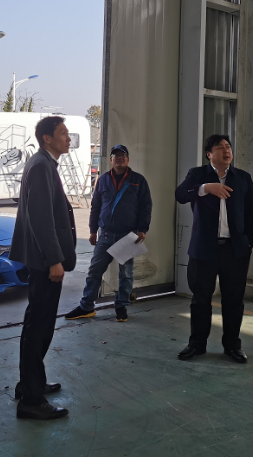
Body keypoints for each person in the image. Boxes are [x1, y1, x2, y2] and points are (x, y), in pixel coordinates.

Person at [10, 116, 77, 421]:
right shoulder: (40, 166)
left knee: (38, 324)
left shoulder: (44, 163)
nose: (68, 138)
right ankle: (31, 400)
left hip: (41, 259)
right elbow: (40, 218)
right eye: (63, 133)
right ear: (47, 138)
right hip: (44, 261)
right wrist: (53, 259)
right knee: (39, 327)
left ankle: (30, 384)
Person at [175, 134, 253, 364]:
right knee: (201, 299)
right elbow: (180, 195)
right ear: (209, 154)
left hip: (234, 251)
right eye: (220, 147)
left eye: (228, 146)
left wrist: (248, 242)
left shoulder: (243, 178)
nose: (226, 150)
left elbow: (251, 213)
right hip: (204, 249)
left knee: (234, 301)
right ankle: (197, 344)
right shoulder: (197, 175)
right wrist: (205, 188)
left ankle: (232, 346)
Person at [65, 144, 152, 322]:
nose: (119, 158)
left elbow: (146, 206)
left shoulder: (138, 180)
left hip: (128, 235)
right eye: (116, 156)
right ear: (111, 160)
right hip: (105, 234)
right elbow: (96, 206)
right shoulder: (103, 180)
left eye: (122, 156)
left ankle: (121, 306)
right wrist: (92, 230)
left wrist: (142, 229)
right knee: (94, 271)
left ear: (128, 159)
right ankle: (86, 306)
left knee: (126, 274)